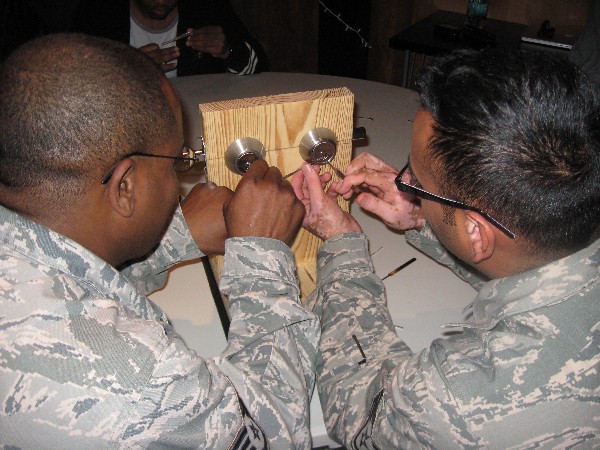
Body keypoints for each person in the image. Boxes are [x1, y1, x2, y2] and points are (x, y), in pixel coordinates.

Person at [0, 33, 317, 449]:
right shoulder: (135, 385)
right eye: (176, 163)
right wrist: (262, 254)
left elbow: (67, 273)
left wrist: (175, 236)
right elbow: (267, 432)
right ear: (125, 186)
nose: (181, 180)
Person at [290, 48, 600, 448]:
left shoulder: (465, 399)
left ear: (478, 233)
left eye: (415, 180)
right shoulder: (567, 219)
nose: (403, 182)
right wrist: (424, 218)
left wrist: (342, 246)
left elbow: (365, 413)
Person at [71, 0, 267, 78]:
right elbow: (72, 83)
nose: (162, 1)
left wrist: (228, 51)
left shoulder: (206, 8)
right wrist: (129, 68)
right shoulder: (97, 14)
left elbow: (260, 67)